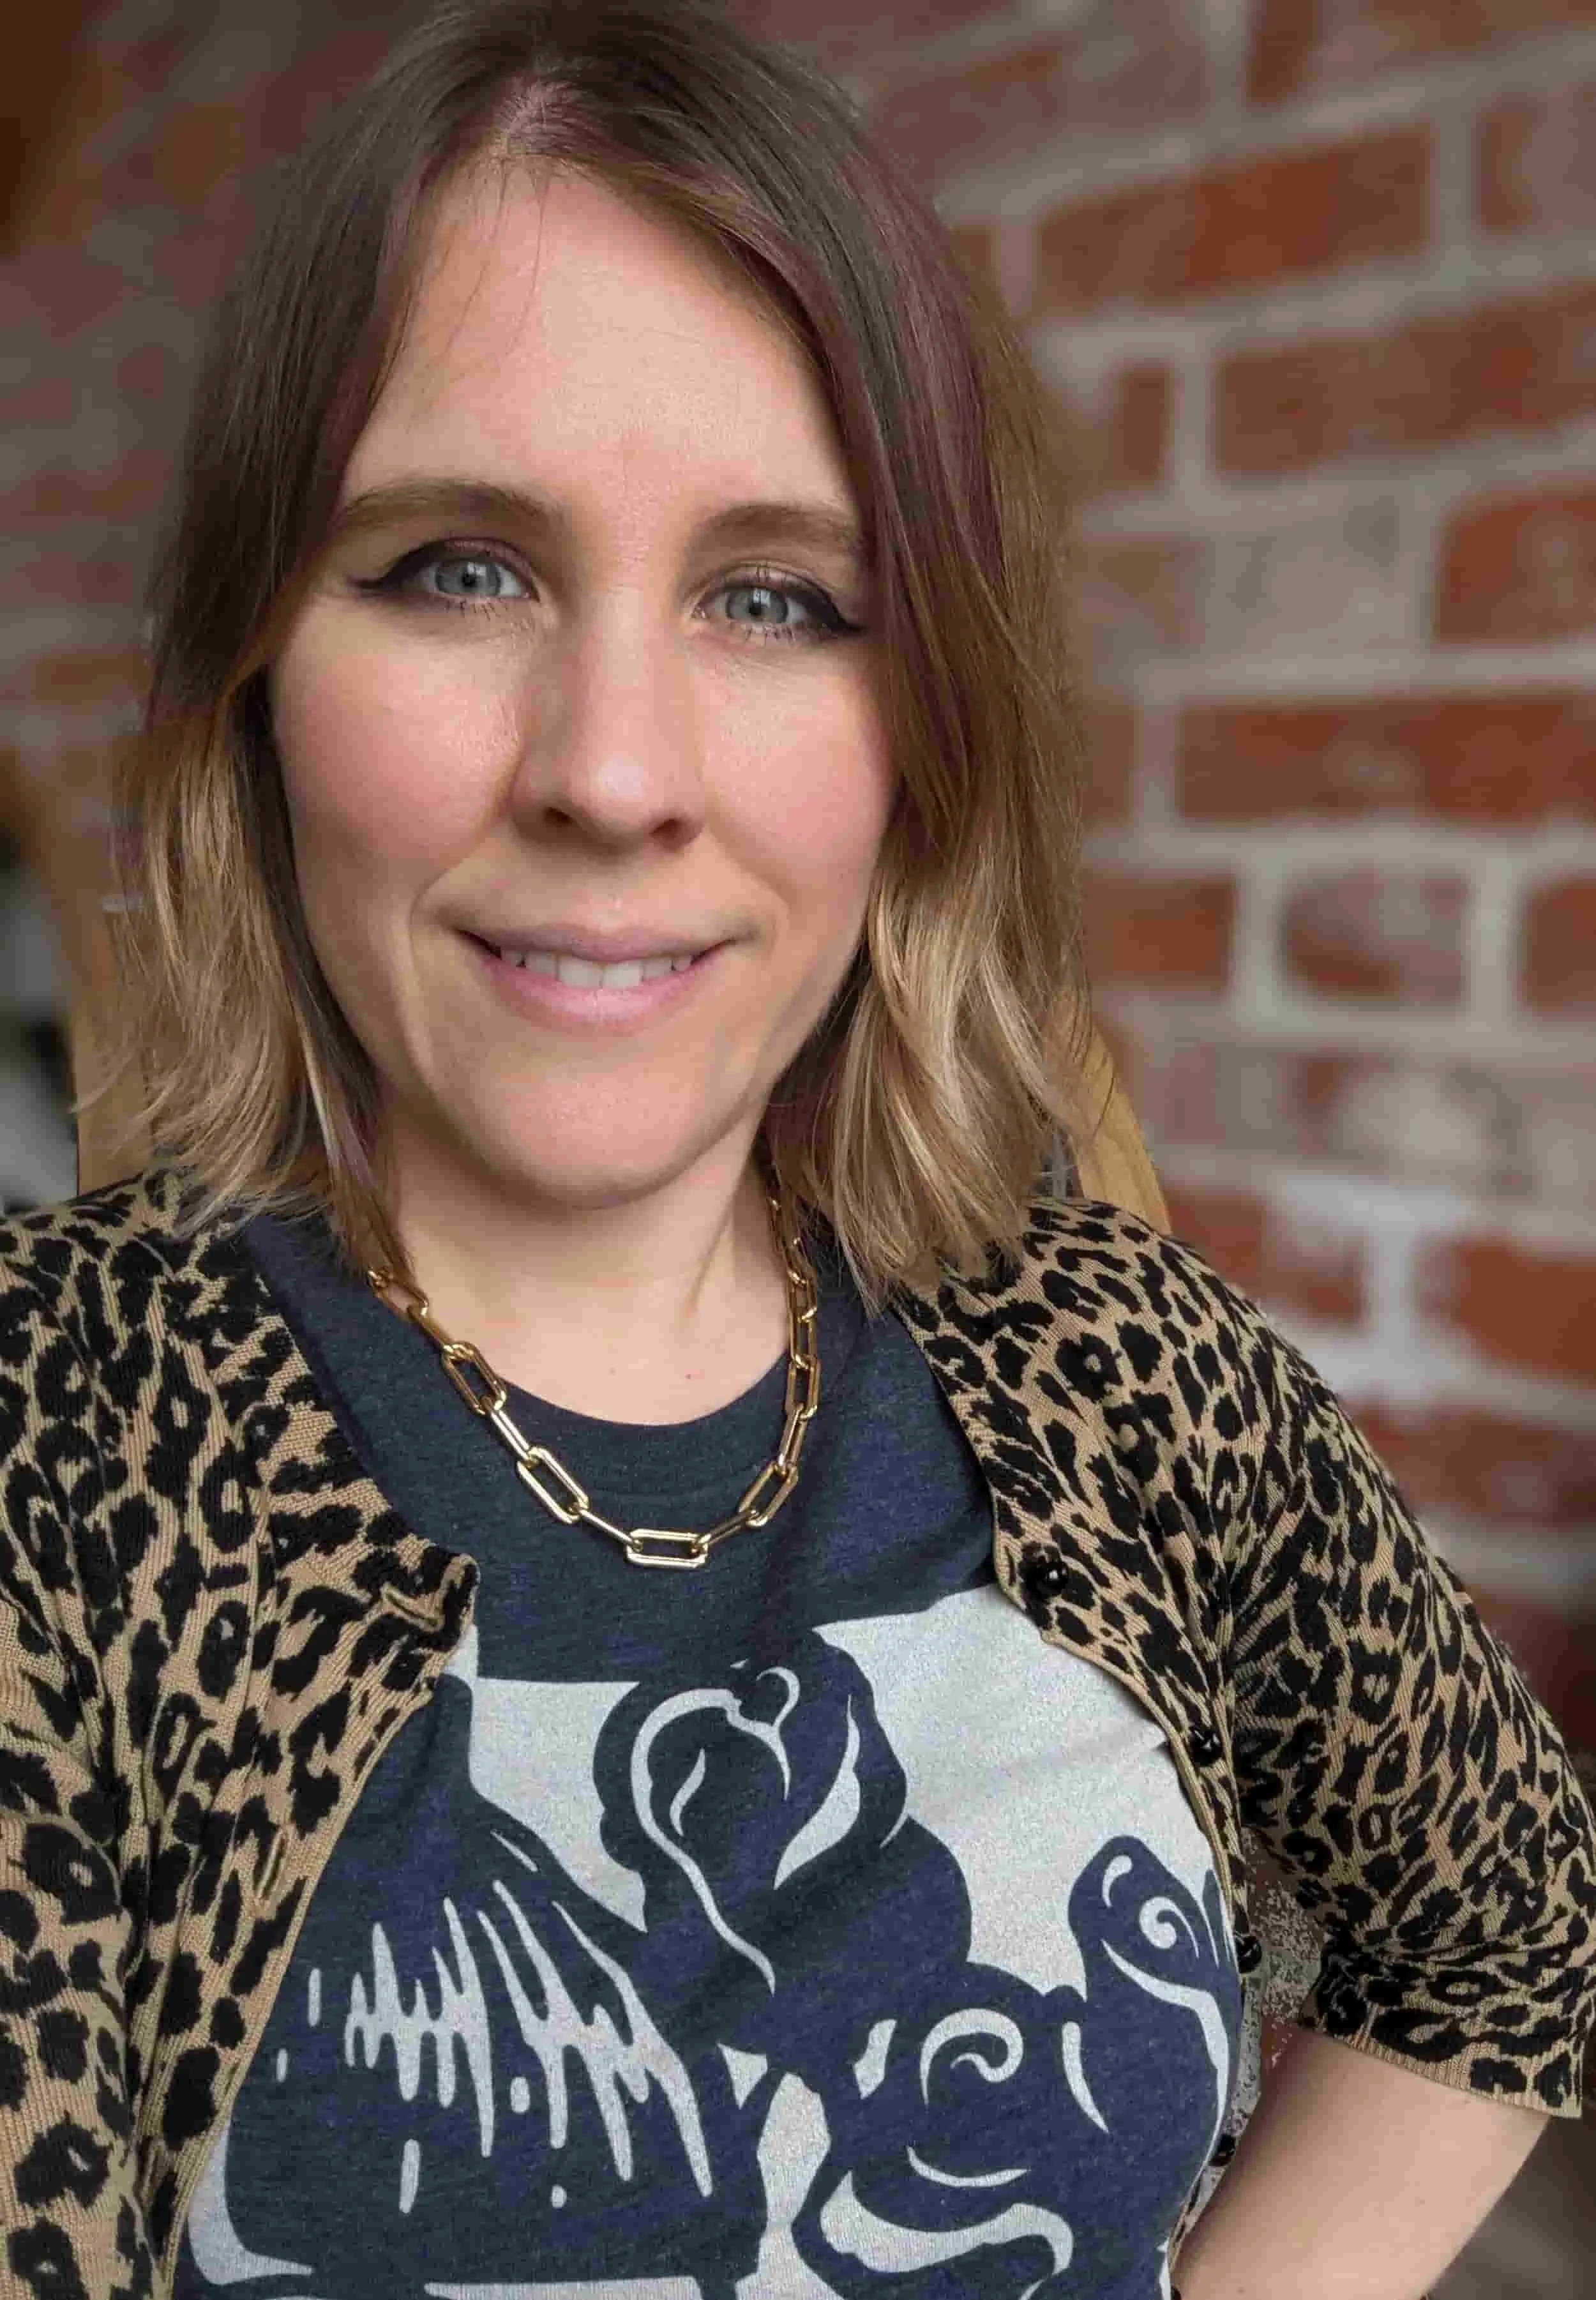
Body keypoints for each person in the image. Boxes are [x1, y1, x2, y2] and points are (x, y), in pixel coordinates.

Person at [3, 1, 1592, 2295]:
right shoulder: (59, 1443)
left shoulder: (1095, 1348)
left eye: (776, 597)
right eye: (460, 564)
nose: (617, 770)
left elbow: (1509, 1918)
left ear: (919, 727)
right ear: (256, 675)